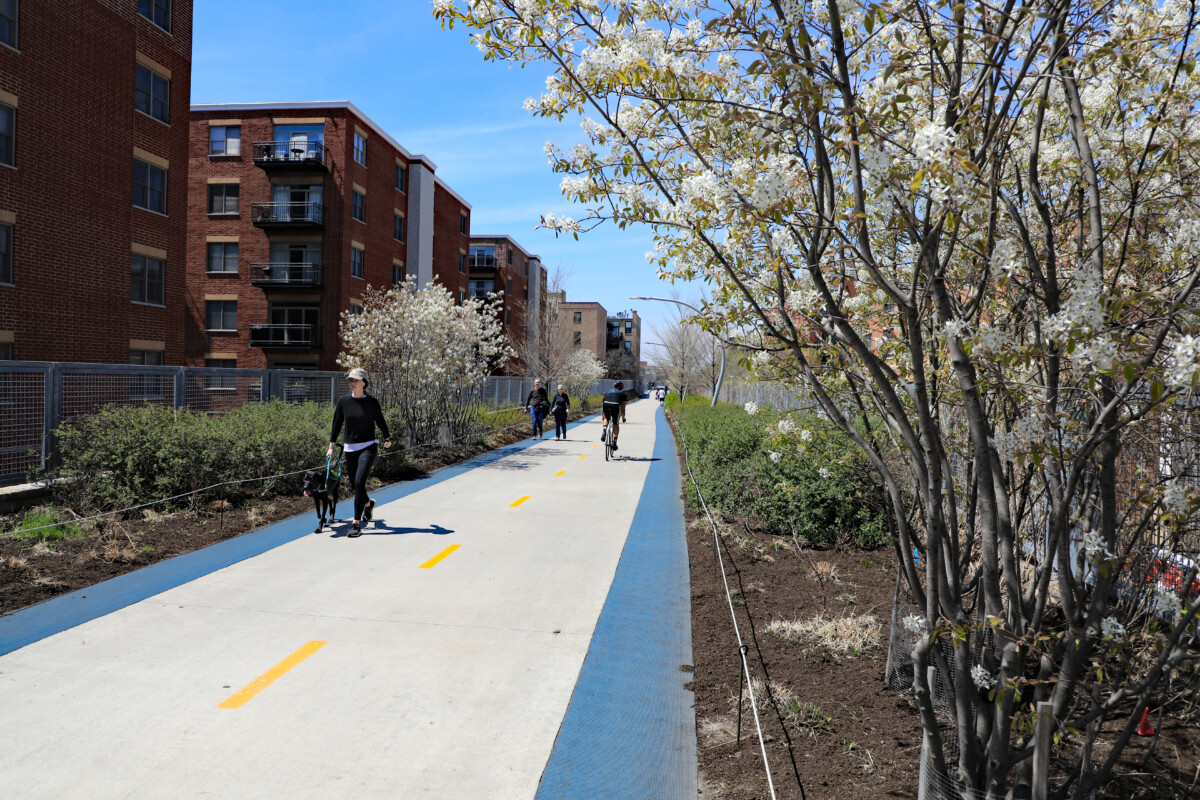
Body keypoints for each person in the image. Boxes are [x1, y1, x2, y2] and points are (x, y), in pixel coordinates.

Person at [327, 367, 391, 538]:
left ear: (363, 382)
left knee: (359, 481)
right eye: (350, 380)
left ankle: (356, 524)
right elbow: (336, 424)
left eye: (355, 380)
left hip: (369, 446)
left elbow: (380, 420)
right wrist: (331, 447)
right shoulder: (343, 402)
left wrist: (387, 437)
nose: (352, 383)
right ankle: (368, 505)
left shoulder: (372, 402)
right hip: (350, 448)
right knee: (357, 485)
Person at [601, 381, 627, 451]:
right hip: (615, 405)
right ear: (622, 387)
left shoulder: (608, 392)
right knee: (615, 423)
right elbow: (623, 408)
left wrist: (603, 416)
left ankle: (604, 430)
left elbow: (603, 403)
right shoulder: (623, 394)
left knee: (606, 417)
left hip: (606, 404)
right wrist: (623, 418)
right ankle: (614, 442)